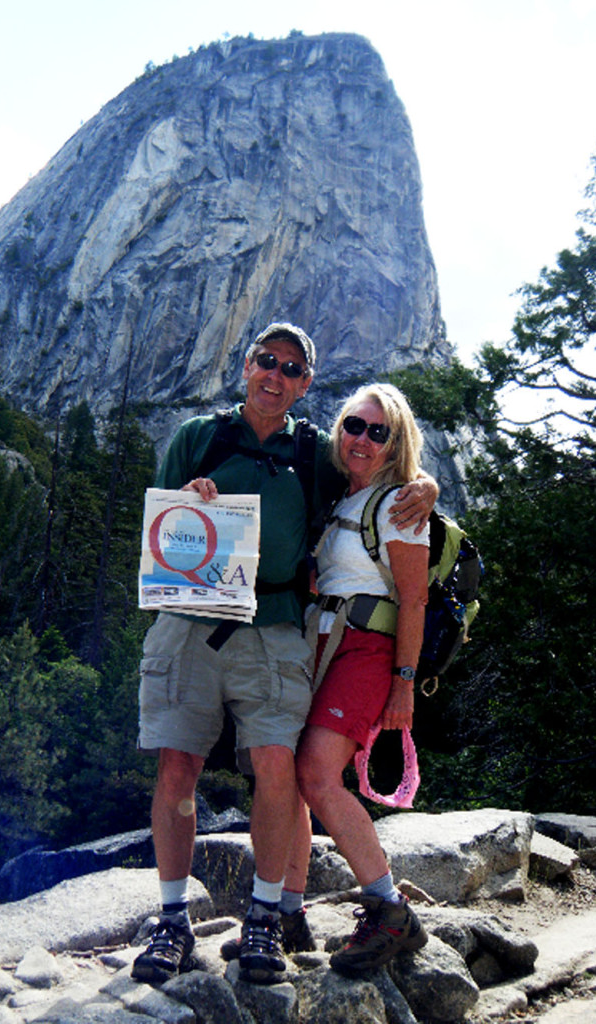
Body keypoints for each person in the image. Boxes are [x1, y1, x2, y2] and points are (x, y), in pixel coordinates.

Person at [132, 325, 436, 985]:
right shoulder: (197, 437)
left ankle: (268, 919)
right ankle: (173, 921)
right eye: (266, 360)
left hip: (274, 628)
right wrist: (191, 503)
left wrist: (427, 487)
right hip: (190, 621)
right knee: (177, 770)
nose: (276, 373)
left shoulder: (312, 454)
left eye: (292, 368)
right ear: (245, 366)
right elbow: (158, 521)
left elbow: (377, 476)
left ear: (304, 385)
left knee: (279, 768)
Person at [294, 382, 431, 975]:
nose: (363, 440)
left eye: (380, 432)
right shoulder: (337, 497)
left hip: (368, 651)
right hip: (320, 645)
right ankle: (286, 911)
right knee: (290, 774)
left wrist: (404, 684)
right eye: (355, 425)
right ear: (339, 429)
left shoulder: (400, 503)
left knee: (318, 775)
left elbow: (415, 599)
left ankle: (390, 909)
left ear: (395, 444)